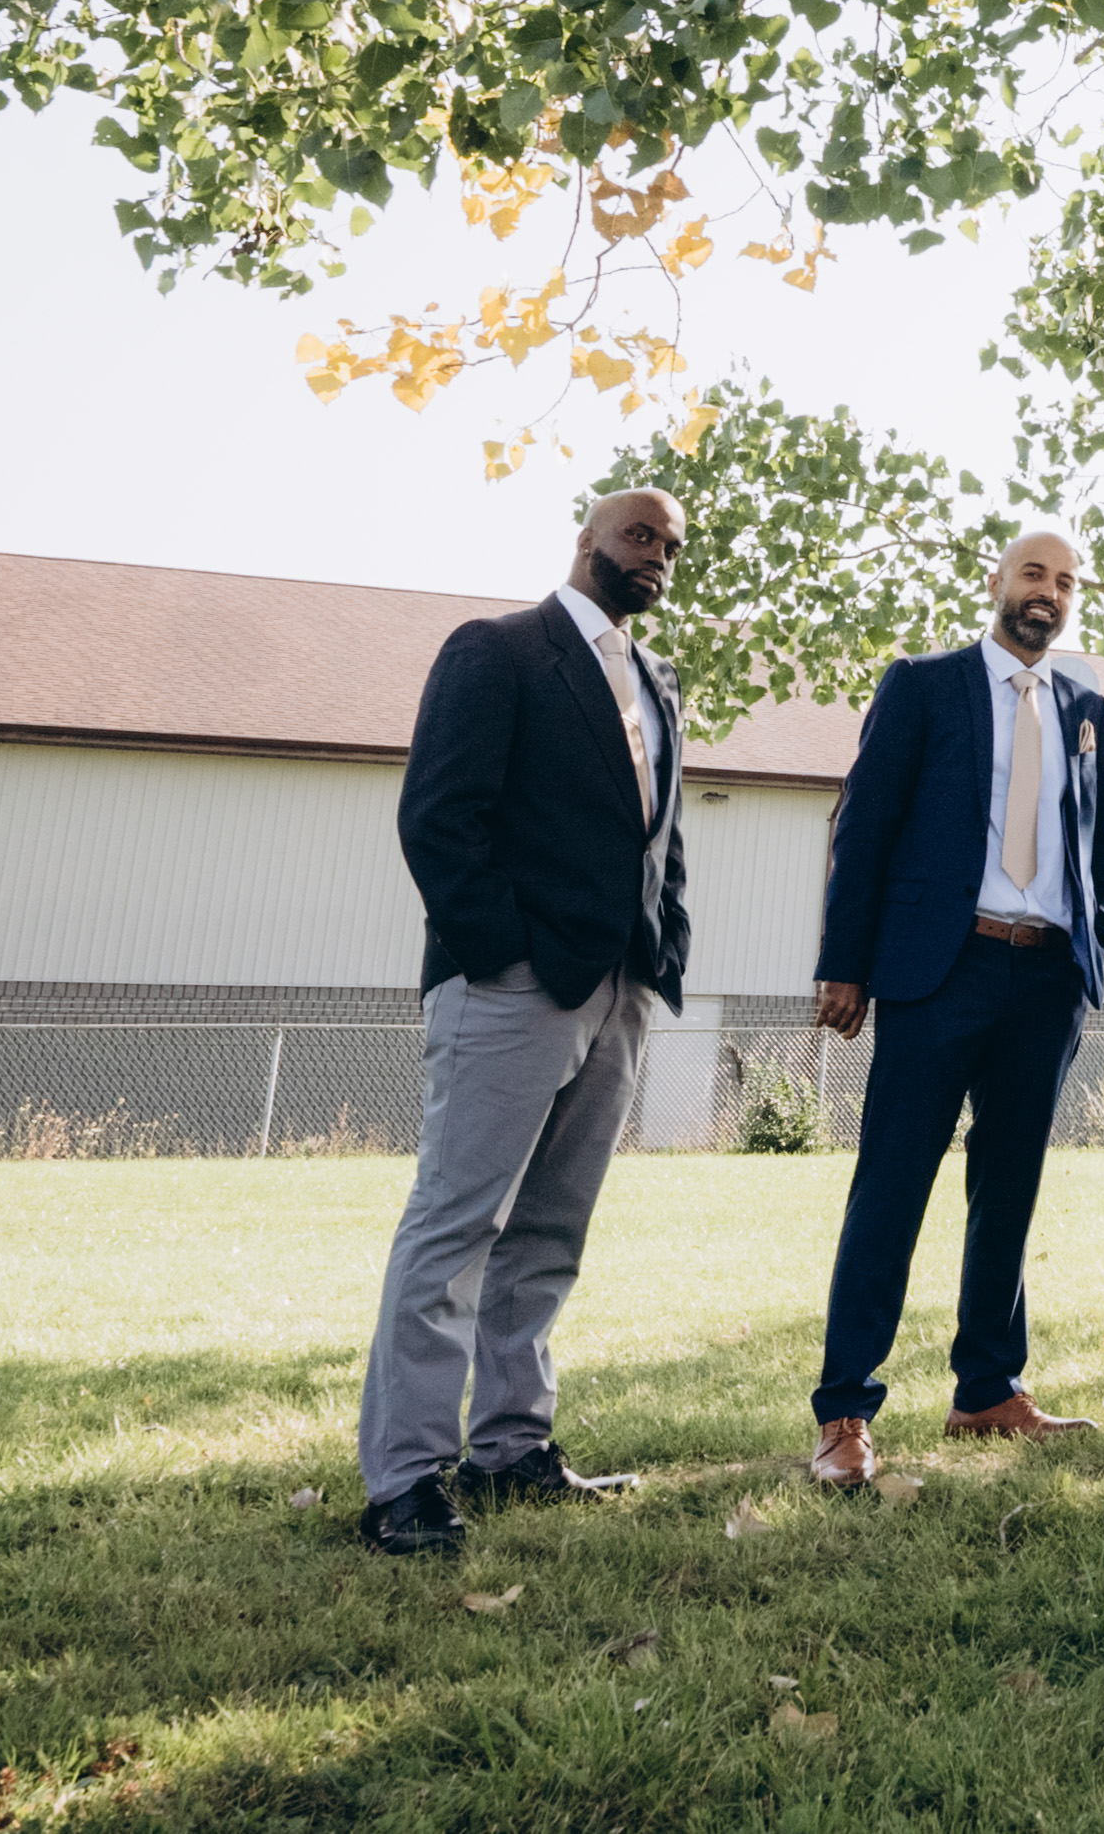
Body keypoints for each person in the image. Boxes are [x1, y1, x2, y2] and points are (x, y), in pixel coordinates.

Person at [357, 489, 693, 1556]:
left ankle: (511, 1447)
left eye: (671, 545)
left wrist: (660, 954)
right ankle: (404, 1479)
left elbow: (658, 839)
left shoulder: (658, 682)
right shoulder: (497, 651)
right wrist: (505, 952)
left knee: (550, 1231)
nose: (656, 555)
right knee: (457, 1227)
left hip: (619, 989)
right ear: (586, 539)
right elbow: (437, 815)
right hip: (510, 988)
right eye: (639, 534)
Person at [803, 530, 1104, 1485]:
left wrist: (1090, 956)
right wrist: (844, 963)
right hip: (940, 970)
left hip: (1047, 978)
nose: (1048, 591)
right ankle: (845, 1409)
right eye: (1034, 573)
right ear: (997, 583)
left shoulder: (1085, 706)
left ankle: (987, 1389)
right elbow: (863, 824)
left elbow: (1098, 843)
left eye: (1066, 581)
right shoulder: (923, 685)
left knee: (1009, 1189)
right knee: (892, 1186)